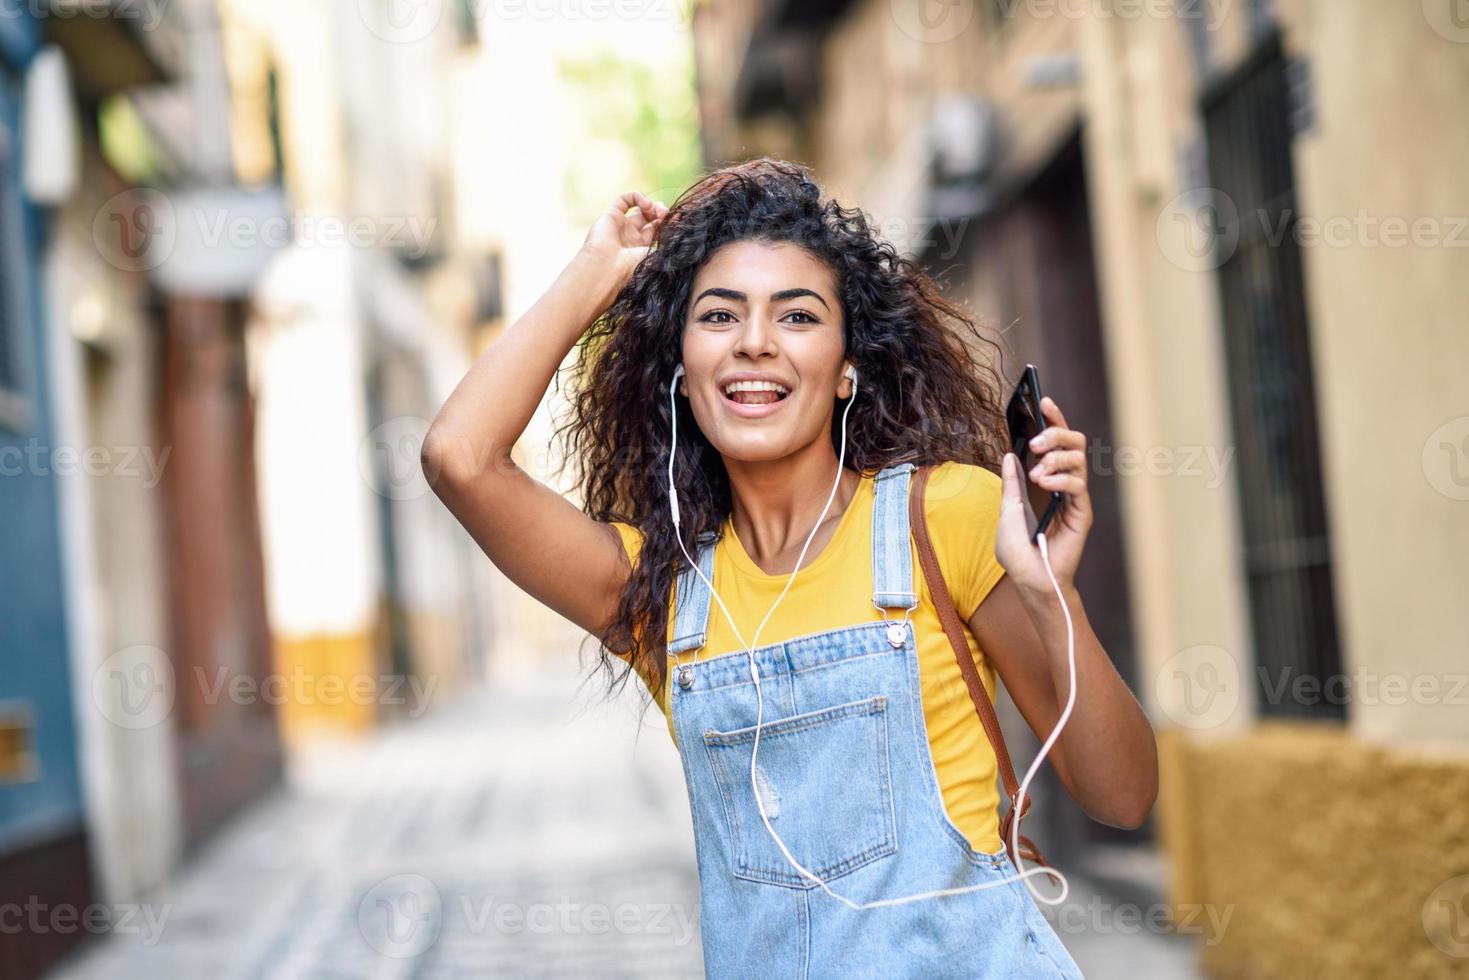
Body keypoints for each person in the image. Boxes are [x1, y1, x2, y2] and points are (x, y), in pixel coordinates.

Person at [423, 158, 1158, 978]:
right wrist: (597, 272)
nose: (754, 342)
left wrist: (1050, 596)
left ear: (847, 367)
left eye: (797, 316)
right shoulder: (661, 593)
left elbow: (1122, 797)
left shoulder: (945, 515)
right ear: (681, 368)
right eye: (718, 316)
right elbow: (460, 458)